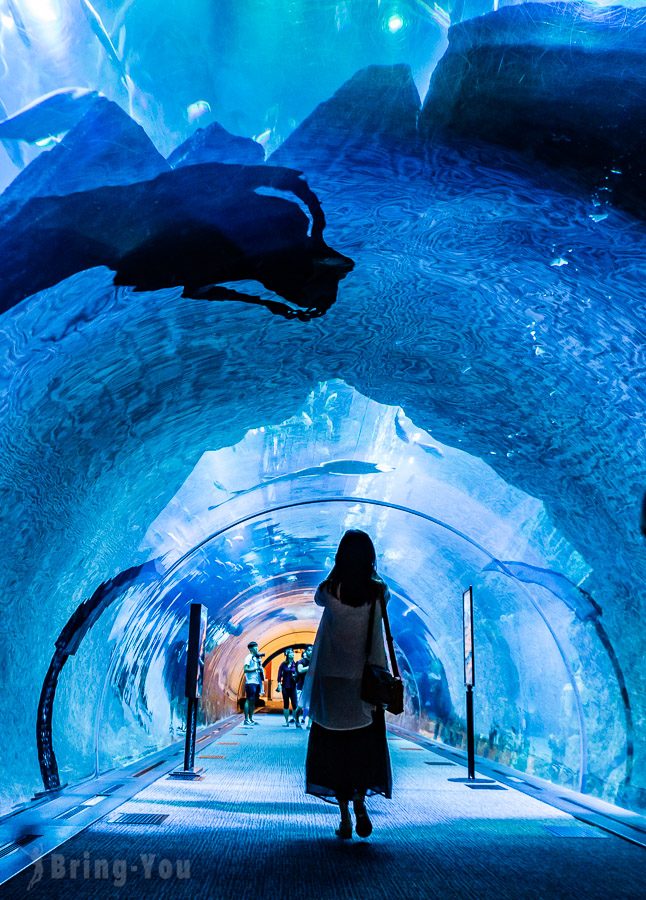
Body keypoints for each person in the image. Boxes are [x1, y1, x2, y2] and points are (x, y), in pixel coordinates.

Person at [301, 529, 393, 839]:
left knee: (334, 751)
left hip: (331, 684)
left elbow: (317, 598)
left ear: (340, 557)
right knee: (362, 749)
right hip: (365, 685)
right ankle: (361, 806)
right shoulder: (380, 593)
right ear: (370, 558)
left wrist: (337, 569)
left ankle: (344, 817)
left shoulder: (329, 590)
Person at [276, 648, 300, 727]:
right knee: (286, 704)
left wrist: (295, 676)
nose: (292, 654)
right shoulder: (283, 664)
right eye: (290, 653)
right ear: (287, 655)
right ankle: (286, 722)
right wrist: (279, 684)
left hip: (293, 687)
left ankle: (296, 721)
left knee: (295, 705)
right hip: (285, 687)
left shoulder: (296, 664)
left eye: (293, 653)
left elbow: (298, 675)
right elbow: (279, 675)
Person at [243, 641, 264, 726]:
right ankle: (246, 719)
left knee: (253, 701)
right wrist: (255, 669)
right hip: (250, 682)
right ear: (250, 649)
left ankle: (251, 719)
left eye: (257, 647)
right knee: (249, 699)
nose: (256, 648)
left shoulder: (256, 658)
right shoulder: (248, 657)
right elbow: (245, 669)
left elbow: (259, 669)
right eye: (254, 647)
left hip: (257, 681)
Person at [295, 645, 313, 728]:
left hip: (311, 687)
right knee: (299, 706)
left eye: (312, 650)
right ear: (305, 652)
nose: (311, 652)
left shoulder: (315, 662)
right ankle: (297, 720)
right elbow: (300, 670)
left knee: (311, 706)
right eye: (309, 650)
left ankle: (309, 724)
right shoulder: (301, 661)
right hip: (301, 686)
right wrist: (311, 667)